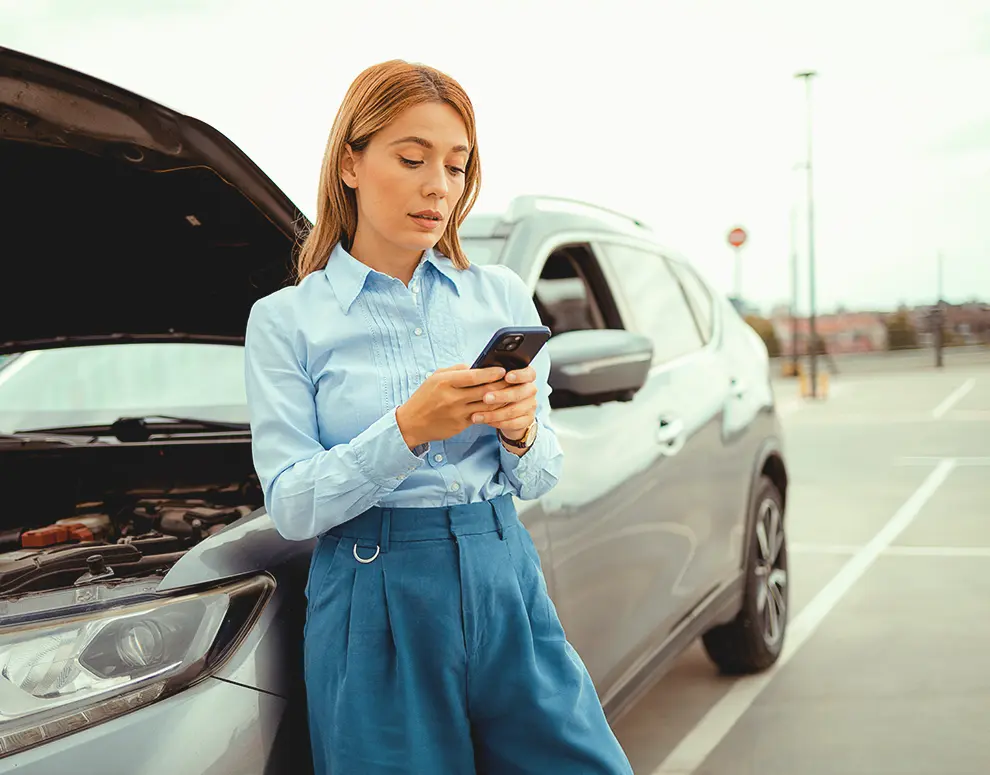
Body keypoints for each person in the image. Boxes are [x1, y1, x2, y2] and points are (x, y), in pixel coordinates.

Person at [244, 59, 633, 775]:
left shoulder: (501, 294)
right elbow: (293, 505)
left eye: (456, 167)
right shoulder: (286, 320)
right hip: (372, 590)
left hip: (503, 572)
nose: (439, 188)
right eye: (413, 158)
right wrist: (407, 428)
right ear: (351, 163)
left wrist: (520, 430)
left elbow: (541, 474)